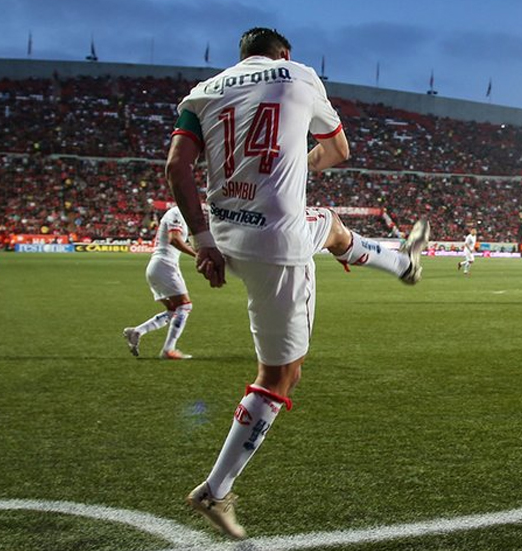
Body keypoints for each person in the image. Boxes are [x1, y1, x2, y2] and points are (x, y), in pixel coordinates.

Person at [164, 27, 430, 540]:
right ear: (284, 53)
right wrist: (301, 164)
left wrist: (202, 241)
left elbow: (177, 167)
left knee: (329, 226)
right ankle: (214, 491)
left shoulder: (201, 94)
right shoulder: (300, 75)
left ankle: (403, 265)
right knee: (281, 376)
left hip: (225, 236)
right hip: (278, 246)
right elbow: (339, 150)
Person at [122, 205, 198, 360]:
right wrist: (197, 255)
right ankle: (168, 349)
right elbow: (175, 240)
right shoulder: (176, 212)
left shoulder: (184, 217)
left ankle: (136, 332)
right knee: (184, 306)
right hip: (164, 265)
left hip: (161, 266)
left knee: (173, 310)